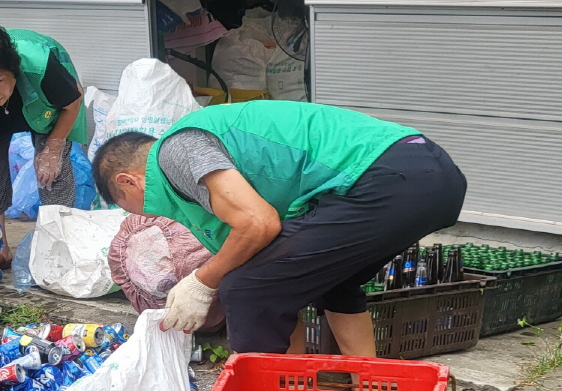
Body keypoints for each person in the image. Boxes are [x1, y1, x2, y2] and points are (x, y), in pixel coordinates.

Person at [91, 100, 467, 356]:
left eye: (126, 205)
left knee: (246, 290)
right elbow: (273, 273)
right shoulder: (201, 154)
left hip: (388, 174)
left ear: (128, 181)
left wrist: (203, 281)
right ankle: (365, 389)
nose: (141, 213)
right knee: (328, 283)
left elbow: (259, 223)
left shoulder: (176, 150)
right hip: (428, 172)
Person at [0, 24, 85, 255]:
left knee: (52, 174)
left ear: (14, 70)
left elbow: (72, 102)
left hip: (44, 110)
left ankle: (58, 248)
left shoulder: (40, 67)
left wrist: (53, 147)